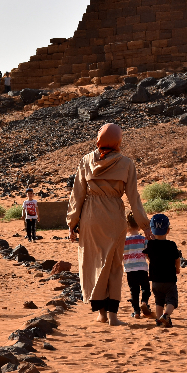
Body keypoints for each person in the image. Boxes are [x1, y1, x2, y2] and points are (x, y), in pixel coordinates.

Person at [66, 123, 153, 326]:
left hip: (90, 217)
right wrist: (145, 225)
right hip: (114, 216)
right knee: (113, 266)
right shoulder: (127, 163)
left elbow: (77, 195)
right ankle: (113, 317)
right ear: (118, 141)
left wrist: (72, 223)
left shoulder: (86, 160)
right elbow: (134, 198)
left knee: (94, 262)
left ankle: (101, 314)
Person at [142, 214, 181, 328]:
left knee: (159, 300)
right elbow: (177, 259)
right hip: (169, 279)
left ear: (152, 230)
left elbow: (147, 255)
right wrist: (177, 268)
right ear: (168, 230)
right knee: (172, 299)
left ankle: (159, 321)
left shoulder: (150, 244)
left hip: (155, 280)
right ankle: (166, 315)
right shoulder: (171, 244)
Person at [124, 212, 152, 319]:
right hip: (142, 268)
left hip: (130, 269)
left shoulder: (124, 241)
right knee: (145, 288)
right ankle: (144, 302)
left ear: (126, 226)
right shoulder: (143, 239)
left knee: (133, 290)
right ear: (139, 226)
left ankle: (136, 312)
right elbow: (148, 254)